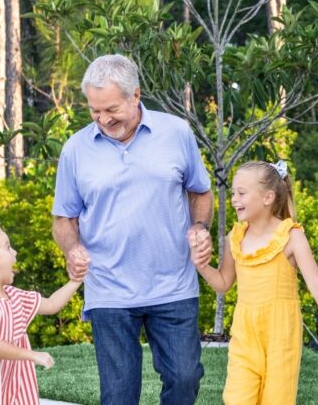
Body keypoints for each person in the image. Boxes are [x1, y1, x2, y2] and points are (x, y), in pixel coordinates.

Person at [51, 54, 214, 405]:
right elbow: (64, 218)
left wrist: (200, 227)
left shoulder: (176, 133)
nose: (103, 119)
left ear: (135, 96)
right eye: (95, 111)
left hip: (173, 285)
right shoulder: (76, 149)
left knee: (184, 379)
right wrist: (72, 249)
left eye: (111, 109)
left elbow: (200, 192)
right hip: (109, 289)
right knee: (119, 394)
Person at [190, 160, 318, 405]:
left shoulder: (291, 236)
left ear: (267, 197)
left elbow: (316, 282)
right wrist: (202, 266)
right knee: (237, 398)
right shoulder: (235, 237)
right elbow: (223, 283)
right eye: (233, 192)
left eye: (241, 193)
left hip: (281, 335)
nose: (234, 199)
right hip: (245, 333)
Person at [0, 224, 82, 405]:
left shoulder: (14, 296)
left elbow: (52, 304)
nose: (14, 252)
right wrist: (32, 355)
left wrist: (76, 280)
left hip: (11, 382)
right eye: (7, 247)